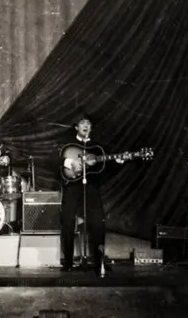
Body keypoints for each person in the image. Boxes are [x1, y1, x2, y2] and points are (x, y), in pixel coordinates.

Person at [59, 112, 126, 275]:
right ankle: (67, 263)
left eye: (88, 123)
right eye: (82, 123)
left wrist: (118, 162)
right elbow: (52, 159)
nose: (85, 125)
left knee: (98, 223)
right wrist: (70, 162)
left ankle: (98, 263)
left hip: (91, 188)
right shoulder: (67, 144)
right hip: (72, 187)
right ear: (76, 127)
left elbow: (105, 168)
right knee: (67, 221)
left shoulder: (98, 147)